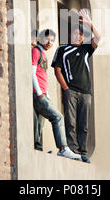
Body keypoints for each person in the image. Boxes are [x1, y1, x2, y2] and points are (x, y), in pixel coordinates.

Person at [51, 9, 101, 163]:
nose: (77, 36)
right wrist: (65, 88)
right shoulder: (62, 50)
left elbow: (98, 38)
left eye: (80, 34)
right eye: (75, 34)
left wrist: (89, 24)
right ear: (70, 35)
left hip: (86, 92)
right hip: (70, 91)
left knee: (83, 124)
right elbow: (57, 70)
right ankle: (72, 151)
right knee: (70, 123)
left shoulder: (86, 49)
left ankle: (82, 152)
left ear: (82, 36)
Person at [32, 29, 81, 160]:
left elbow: (42, 75)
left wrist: (46, 93)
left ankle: (37, 148)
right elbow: (32, 73)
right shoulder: (36, 51)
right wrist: (39, 93)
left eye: (52, 41)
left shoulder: (43, 54)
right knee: (58, 117)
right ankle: (63, 148)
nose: (49, 42)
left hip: (42, 93)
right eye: (47, 39)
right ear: (40, 39)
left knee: (38, 123)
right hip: (37, 93)